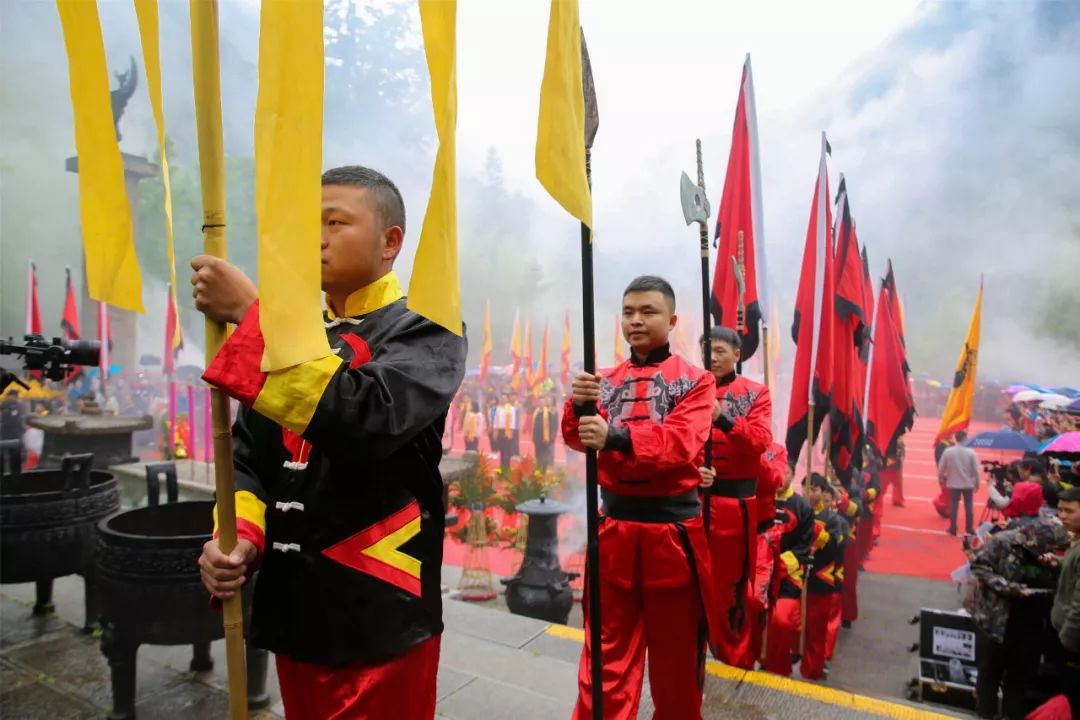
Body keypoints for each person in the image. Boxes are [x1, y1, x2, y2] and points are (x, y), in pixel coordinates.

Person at [193, 165, 467, 718]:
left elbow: (365, 418)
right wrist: (239, 536)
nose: (315, 237)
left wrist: (253, 316)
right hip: (297, 608)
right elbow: (248, 453)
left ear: (390, 241)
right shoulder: (300, 333)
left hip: (379, 612)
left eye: (335, 221)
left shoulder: (429, 328)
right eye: (307, 223)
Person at [562, 275, 718, 720]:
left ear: (671, 320)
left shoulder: (697, 382)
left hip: (672, 538)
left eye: (647, 312)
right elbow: (576, 438)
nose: (636, 320)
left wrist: (617, 437)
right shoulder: (604, 379)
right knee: (605, 659)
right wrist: (578, 406)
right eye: (629, 312)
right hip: (613, 534)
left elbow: (682, 442)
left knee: (676, 665)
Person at [696, 326, 773, 669]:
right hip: (694, 503)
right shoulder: (690, 390)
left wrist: (723, 418)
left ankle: (734, 656)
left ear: (737, 355)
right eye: (707, 350)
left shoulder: (756, 394)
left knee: (731, 586)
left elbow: (759, 441)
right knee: (692, 579)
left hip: (734, 510)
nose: (712, 358)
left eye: (720, 351)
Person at [968, 481, 1069, 719]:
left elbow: (979, 565)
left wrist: (1009, 588)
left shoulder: (1004, 537)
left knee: (989, 677)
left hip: (998, 621)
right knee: (1018, 683)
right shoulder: (1059, 532)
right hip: (1037, 620)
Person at [763, 464, 815, 677]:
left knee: (780, 620)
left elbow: (804, 547)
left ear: (793, 474)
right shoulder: (762, 499)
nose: (780, 476)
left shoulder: (803, 508)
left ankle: (779, 667)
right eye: (777, 471)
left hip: (788, 576)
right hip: (761, 572)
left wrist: (778, 565)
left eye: (785, 472)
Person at [1048, 486, 1080, 719]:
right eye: (1060, 510)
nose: (1062, 516)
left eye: (1069, 511)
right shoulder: (1076, 540)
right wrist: (1059, 563)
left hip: (1071, 641)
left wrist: (1068, 636)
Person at [938, 430, 981, 536]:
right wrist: (977, 483)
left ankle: (953, 527)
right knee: (969, 505)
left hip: (953, 482)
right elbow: (976, 470)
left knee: (953, 505)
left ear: (956, 438)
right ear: (965, 438)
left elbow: (941, 467)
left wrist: (941, 478)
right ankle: (969, 528)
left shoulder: (948, 451)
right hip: (968, 483)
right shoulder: (971, 452)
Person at [531, 393, 559, 472]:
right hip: (537, 438)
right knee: (537, 455)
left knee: (544, 456)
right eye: (540, 402)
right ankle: (538, 471)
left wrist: (549, 437)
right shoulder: (536, 412)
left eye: (543, 402)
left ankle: (544, 471)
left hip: (545, 439)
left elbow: (552, 426)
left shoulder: (549, 413)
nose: (541, 403)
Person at [492, 392, 518, 473]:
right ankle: (502, 467)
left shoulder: (511, 408)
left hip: (508, 431)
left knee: (507, 451)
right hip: (500, 431)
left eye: (505, 398)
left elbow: (513, 421)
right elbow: (496, 421)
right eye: (502, 398)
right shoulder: (498, 409)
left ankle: (507, 468)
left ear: (507, 399)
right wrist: (495, 432)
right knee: (502, 451)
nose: (503, 399)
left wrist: (511, 432)